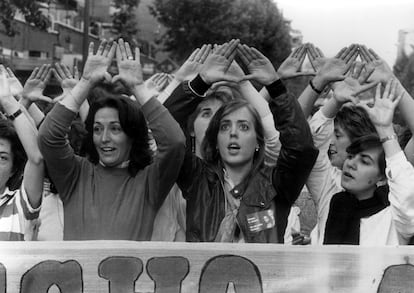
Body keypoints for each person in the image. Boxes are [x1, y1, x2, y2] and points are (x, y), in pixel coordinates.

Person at [169, 40, 318, 242]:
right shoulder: (198, 179)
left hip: (263, 273)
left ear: (258, 141)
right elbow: (168, 133)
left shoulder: (277, 184)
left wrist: (275, 86)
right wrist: (200, 82)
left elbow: (302, 149)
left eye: (244, 126)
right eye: (224, 126)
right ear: (215, 140)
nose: (233, 133)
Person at [38, 39, 185, 240]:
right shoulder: (75, 174)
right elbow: (48, 137)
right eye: (97, 129)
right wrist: (86, 83)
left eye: (115, 129)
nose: (104, 138)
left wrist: (138, 87)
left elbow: (175, 143)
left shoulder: (150, 180)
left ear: (132, 134)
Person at [324, 79, 414, 245]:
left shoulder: (395, 215)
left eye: (365, 161)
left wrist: (384, 129)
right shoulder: (336, 203)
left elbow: (406, 192)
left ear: (381, 176)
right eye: (351, 156)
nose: (351, 164)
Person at [0, 67, 44, 241]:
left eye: (2, 157)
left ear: (13, 169)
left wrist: (9, 101)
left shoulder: (19, 205)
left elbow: (36, 158)